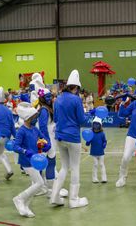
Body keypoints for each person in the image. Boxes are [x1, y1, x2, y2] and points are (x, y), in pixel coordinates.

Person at [50, 70, 88, 208]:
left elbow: (55, 118)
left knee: (64, 167)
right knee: (75, 167)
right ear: (76, 87)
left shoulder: (58, 98)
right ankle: (73, 199)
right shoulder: (76, 99)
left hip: (60, 136)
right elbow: (82, 120)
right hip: (73, 137)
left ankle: (55, 196)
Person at [12, 102, 51, 218]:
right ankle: (19, 199)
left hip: (35, 161)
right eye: (34, 118)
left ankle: (25, 206)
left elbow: (43, 138)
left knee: (35, 184)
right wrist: (25, 151)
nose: (36, 119)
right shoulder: (22, 131)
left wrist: (46, 145)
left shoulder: (34, 129)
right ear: (28, 118)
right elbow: (15, 146)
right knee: (39, 183)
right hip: (26, 161)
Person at [36, 87, 68, 197]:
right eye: (47, 97)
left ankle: (46, 188)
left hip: (48, 139)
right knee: (45, 163)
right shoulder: (44, 110)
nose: (50, 98)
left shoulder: (47, 108)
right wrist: (47, 142)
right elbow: (42, 127)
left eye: (50, 96)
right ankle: (45, 188)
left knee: (48, 163)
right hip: (45, 141)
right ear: (42, 98)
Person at [86, 117, 107, 183]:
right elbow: (87, 144)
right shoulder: (91, 133)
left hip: (101, 152)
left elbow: (105, 141)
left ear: (100, 125)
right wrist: (88, 141)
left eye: (97, 124)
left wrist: (104, 144)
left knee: (101, 164)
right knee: (95, 165)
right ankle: (94, 178)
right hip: (94, 152)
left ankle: (104, 178)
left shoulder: (102, 134)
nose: (96, 126)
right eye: (94, 124)